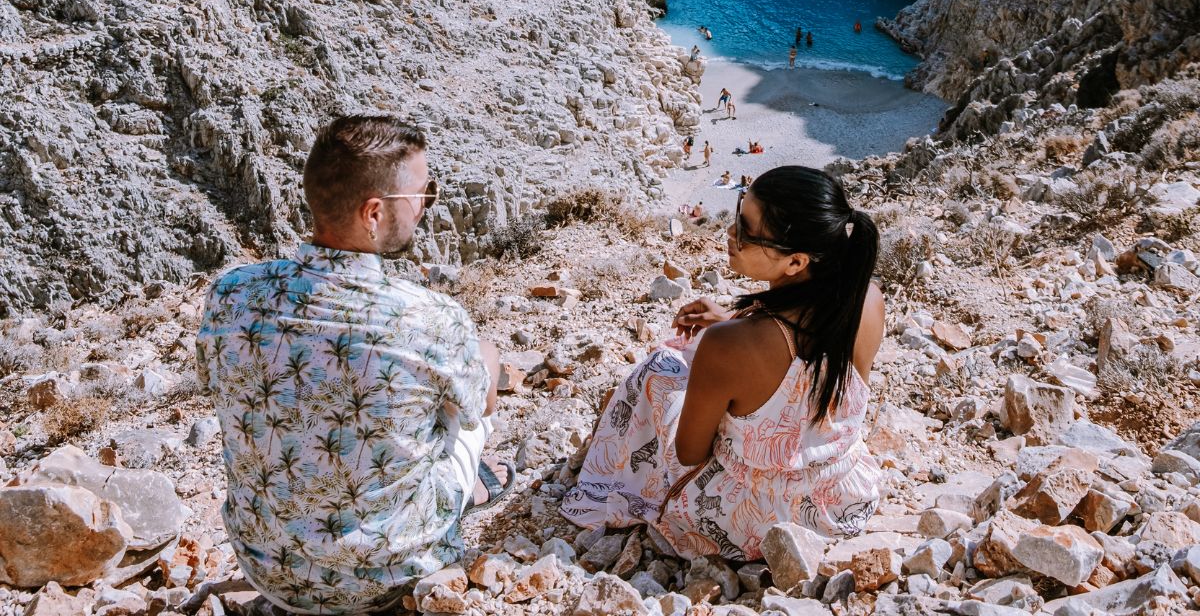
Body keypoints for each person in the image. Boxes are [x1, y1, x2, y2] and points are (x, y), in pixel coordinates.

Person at [196, 115, 512, 614]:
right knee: (473, 381)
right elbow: (481, 405)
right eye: (423, 196)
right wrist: (488, 361)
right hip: (391, 577)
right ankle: (465, 488)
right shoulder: (429, 317)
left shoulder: (229, 293)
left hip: (270, 569)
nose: (426, 209)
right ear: (374, 213)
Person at [561, 167, 885, 561]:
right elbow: (799, 361)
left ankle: (603, 484)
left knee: (662, 366)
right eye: (737, 214)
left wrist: (722, 345)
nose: (730, 234)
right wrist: (734, 323)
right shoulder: (865, 299)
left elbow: (690, 453)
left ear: (796, 262)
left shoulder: (728, 346)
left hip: (753, 521)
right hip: (840, 499)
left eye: (746, 229)